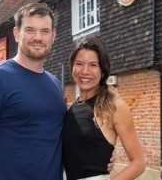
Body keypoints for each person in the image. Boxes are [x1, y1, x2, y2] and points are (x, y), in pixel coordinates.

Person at [0, 2, 67, 180]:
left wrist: (100, 155)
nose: (38, 37)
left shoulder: (55, 84)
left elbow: (59, 139)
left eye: (45, 31)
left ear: (53, 36)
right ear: (16, 34)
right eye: (30, 30)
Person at [62, 37, 146, 180]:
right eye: (79, 64)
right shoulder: (70, 110)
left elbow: (138, 163)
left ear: (103, 70)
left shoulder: (114, 106)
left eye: (93, 65)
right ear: (72, 68)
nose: (85, 71)